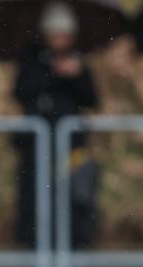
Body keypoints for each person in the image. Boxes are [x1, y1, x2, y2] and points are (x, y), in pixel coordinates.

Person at [12, 2, 99, 249]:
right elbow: (20, 91)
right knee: (35, 198)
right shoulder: (31, 58)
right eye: (55, 33)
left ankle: (72, 248)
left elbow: (91, 98)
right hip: (35, 146)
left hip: (71, 146)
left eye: (65, 34)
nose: (60, 39)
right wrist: (50, 72)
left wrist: (77, 76)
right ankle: (36, 249)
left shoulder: (79, 62)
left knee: (73, 197)